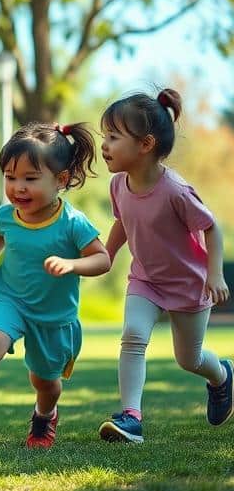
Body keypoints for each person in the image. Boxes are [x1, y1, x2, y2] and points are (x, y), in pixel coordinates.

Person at [0, 122, 110, 450]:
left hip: (53, 315)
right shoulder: (6, 215)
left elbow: (102, 259)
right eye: (10, 177)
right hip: (8, 297)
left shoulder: (72, 223)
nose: (18, 188)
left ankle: (46, 414)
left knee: (45, 381)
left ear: (60, 179)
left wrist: (72, 264)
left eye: (30, 179)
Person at [97, 87, 231, 443]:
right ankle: (131, 416)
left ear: (145, 144)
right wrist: (107, 256)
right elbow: (123, 222)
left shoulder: (175, 190)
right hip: (145, 280)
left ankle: (221, 377)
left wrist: (214, 274)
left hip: (189, 284)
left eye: (112, 137)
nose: (104, 145)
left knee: (189, 359)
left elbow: (212, 227)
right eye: (103, 137)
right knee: (133, 336)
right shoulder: (118, 185)